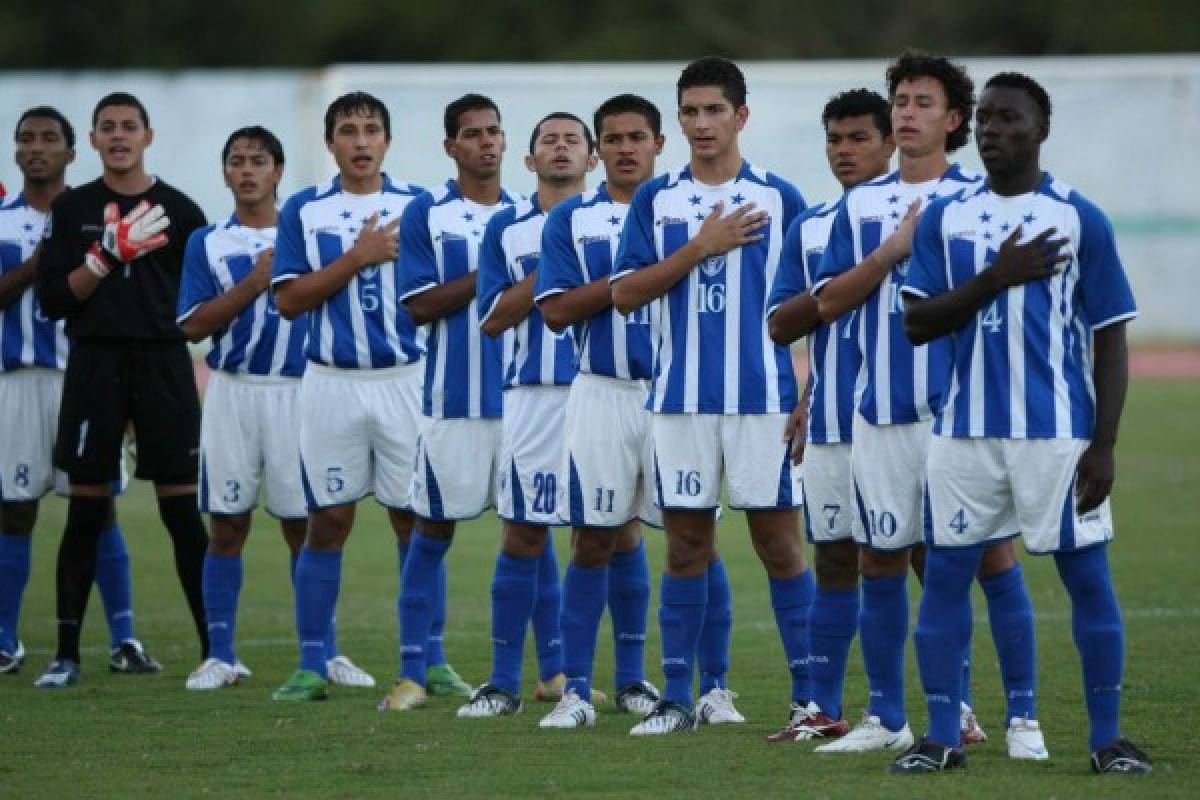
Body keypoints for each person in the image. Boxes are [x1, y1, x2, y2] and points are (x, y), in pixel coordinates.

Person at [893, 72, 1151, 775]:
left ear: (1041, 130)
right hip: (964, 434)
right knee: (944, 580)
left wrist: (1104, 444)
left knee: (1088, 582)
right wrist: (992, 278)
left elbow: (1111, 336)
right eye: (984, 120)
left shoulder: (1078, 217)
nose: (992, 131)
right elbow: (917, 322)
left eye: (1009, 120)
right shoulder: (947, 217)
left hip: (1057, 436)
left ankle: (1107, 741)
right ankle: (940, 738)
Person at [810, 51, 1036, 754]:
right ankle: (886, 718)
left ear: (955, 120)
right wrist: (886, 253)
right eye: (900, 100)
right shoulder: (857, 207)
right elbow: (825, 303)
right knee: (880, 560)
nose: (906, 112)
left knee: (990, 560)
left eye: (922, 102)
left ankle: (1017, 718)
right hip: (880, 413)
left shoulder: (981, 198)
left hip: (960, 418)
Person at [611, 57, 813, 735]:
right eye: (690, 112)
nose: (701, 124)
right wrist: (699, 248)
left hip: (764, 400)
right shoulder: (656, 201)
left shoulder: (782, 198)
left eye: (714, 111)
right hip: (681, 403)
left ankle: (809, 699)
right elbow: (624, 293)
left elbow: (811, 305)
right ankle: (679, 697)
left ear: (741, 116)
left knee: (780, 547)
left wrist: (807, 388)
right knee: (686, 546)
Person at [35, 93, 211, 687]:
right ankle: (65, 656)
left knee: (183, 513)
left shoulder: (180, 211)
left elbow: (199, 303)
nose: (118, 136)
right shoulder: (73, 208)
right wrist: (105, 257)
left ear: (148, 136)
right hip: (96, 362)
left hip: (163, 364)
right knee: (86, 510)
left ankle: (217, 650)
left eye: (128, 127)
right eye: (107, 127)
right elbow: (55, 301)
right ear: (92, 140)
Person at [271, 92, 423, 701]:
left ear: (388, 140)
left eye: (371, 130)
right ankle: (314, 663)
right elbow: (287, 299)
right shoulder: (305, 210)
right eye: (348, 131)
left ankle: (425, 661)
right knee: (328, 519)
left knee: (415, 521)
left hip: (405, 381)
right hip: (330, 382)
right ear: (330, 142)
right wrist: (358, 257)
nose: (360, 142)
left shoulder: (418, 208)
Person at [531, 93, 669, 728]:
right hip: (601, 390)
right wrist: (626, 287)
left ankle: (667, 684)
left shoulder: (682, 209)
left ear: (657, 144)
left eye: (635, 137)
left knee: (691, 538)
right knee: (593, 537)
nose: (624, 148)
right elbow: (554, 310)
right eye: (611, 139)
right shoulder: (570, 221)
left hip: (676, 396)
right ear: (597, 151)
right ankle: (578, 691)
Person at [765, 88, 896, 742]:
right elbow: (779, 323)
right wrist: (805, 395)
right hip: (830, 421)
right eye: (835, 140)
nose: (844, 151)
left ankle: (952, 707)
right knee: (835, 560)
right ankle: (818, 708)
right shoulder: (810, 226)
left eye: (859, 139)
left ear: (891, 141)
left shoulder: (925, 214)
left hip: (906, 419)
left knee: (926, 558)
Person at [456, 112, 596, 718]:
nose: (560, 148)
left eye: (572, 140)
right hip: (532, 398)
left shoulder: (621, 220)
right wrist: (552, 273)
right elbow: (490, 319)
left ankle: (636, 680)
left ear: (592, 159)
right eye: (549, 141)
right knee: (522, 530)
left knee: (614, 534)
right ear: (529, 160)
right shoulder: (506, 230)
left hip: (602, 393)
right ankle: (503, 682)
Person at [382, 94, 519, 710]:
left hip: (524, 404)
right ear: (451, 147)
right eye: (472, 134)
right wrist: (494, 272)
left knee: (530, 535)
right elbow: (418, 306)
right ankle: (413, 672)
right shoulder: (426, 215)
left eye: (493, 132)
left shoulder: (529, 213)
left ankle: (545, 676)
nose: (485, 142)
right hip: (450, 400)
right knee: (430, 531)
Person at [0, 107, 145, 676]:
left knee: (99, 507)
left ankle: (125, 640)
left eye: (48, 139)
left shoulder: (96, 217)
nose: (36, 148)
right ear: (15, 152)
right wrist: (40, 264)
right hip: (15, 382)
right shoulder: (3, 220)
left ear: (70, 152)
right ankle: (7, 640)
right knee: (14, 512)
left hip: (87, 376)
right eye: (26, 139)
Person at [176, 126, 312, 689]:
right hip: (233, 390)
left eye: (259, 161)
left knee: (305, 527)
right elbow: (192, 325)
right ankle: (221, 654)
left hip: (300, 392)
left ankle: (318, 654)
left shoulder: (304, 235)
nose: (248, 170)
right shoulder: (207, 243)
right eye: (237, 161)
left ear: (278, 171)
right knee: (228, 524)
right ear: (226, 173)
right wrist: (255, 282)